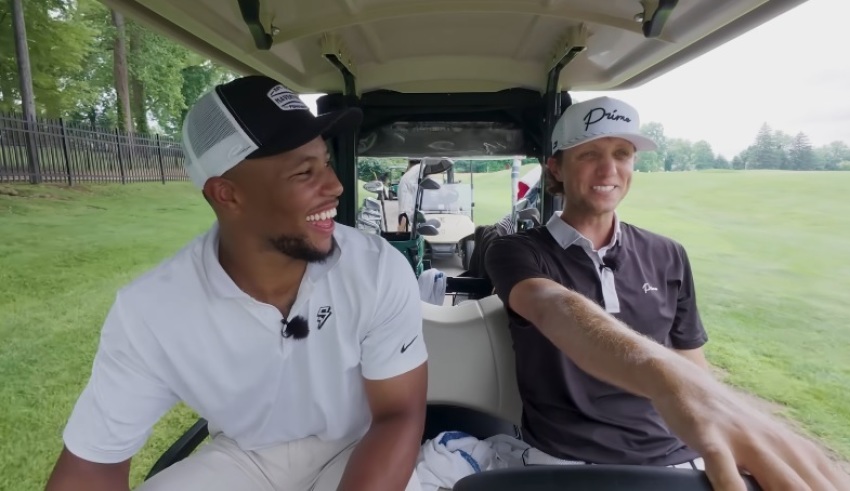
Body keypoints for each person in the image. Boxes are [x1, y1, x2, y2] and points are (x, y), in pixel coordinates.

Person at [44, 75, 428, 491]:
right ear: (227, 194)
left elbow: (398, 413)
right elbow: (92, 467)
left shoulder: (375, 270)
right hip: (247, 457)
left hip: (358, 445)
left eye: (326, 162)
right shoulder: (151, 312)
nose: (334, 186)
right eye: (304, 172)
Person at [485, 96, 850, 490]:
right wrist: (666, 378)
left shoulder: (668, 254)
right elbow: (550, 306)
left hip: (676, 457)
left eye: (622, 154)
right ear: (555, 167)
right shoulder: (517, 250)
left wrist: (721, 411)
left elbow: (693, 364)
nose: (609, 169)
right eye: (590, 153)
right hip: (567, 460)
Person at [396, 158, 422, 231]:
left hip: (406, 192)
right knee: (405, 213)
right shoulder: (420, 168)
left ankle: (399, 235)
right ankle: (399, 236)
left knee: (404, 213)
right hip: (407, 194)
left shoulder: (409, 172)